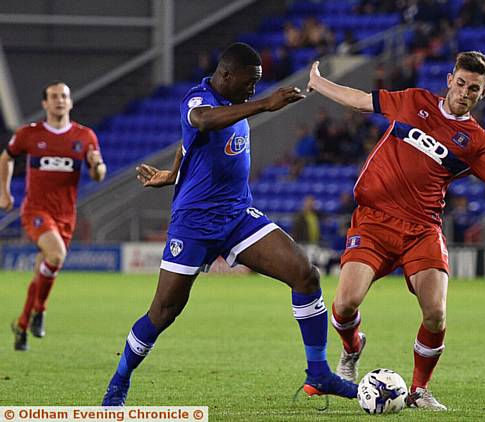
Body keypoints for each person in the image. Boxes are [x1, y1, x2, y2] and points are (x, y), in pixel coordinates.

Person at [306, 51, 485, 411]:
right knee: (346, 302)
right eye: (461, 83)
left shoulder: (477, 142)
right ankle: (351, 349)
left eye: (474, 88)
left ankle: (419, 390)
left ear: (483, 93)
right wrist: (318, 83)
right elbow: (361, 101)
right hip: (374, 220)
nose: (465, 92)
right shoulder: (413, 101)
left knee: (436, 313)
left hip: (422, 229)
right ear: (449, 80)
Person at [101, 43, 357, 406]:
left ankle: (318, 373)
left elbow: (188, 141)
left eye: (257, 84)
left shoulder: (235, 103)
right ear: (225, 75)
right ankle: (119, 381)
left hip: (238, 215)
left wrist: (174, 171)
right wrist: (265, 103)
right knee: (163, 311)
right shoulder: (198, 98)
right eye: (249, 81)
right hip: (195, 223)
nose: (253, 88)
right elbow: (201, 121)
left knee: (306, 275)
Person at [0, 81, 107, 351]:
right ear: (45, 104)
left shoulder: (84, 136)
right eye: (54, 97)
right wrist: (4, 192)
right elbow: (6, 158)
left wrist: (96, 166)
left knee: (43, 270)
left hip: (65, 216)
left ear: (70, 103)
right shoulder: (29, 134)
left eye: (64, 96)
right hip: (35, 210)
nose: (60, 100)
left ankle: (23, 325)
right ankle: (41, 310)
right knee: (56, 256)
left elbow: (98, 175)